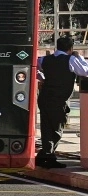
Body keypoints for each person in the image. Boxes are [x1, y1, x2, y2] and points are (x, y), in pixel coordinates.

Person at [36, 36, 88, 166]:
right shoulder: (70, 59)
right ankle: (47, 155)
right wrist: (79, 57)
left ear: (57, 47)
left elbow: (33, 67)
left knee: (46, 127)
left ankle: (46, 156)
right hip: (58, 100)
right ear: (70, 49)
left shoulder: (44, 59)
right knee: (57, 129)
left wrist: (41, 77)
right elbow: (85, 71)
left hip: (44, 97)